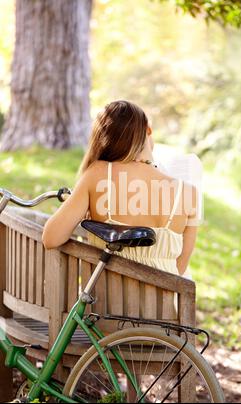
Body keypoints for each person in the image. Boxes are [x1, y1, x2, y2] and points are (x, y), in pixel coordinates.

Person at [42, 100, 199, 277]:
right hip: (161, 304)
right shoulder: (188, 194)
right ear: (148, 130)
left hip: (102, 300)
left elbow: (51, 238)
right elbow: (180, 269)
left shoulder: (98, 174)